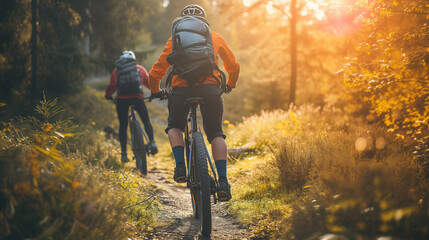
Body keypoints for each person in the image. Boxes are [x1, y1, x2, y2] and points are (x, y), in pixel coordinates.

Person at [148, 5, 240, 201]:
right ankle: (223, 181)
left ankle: (181, 167)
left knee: (175, 126)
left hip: (181, 91)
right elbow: (233, 66)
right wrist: (230, 85)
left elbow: (156, 71)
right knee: (215, 133)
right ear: (204, 23)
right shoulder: (214, 37)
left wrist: (156, 91)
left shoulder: (175, 40)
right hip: (210, 90)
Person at [105, 50, 158, 163]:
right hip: (137, 98)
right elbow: (149, 83)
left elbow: (112, 86)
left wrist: (108, 96)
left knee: (123, 125)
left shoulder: (116, 70)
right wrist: (154, 93)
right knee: (146, 120)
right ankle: (152, 142)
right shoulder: (140, 69)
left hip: (122, 100)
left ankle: (124, 154)